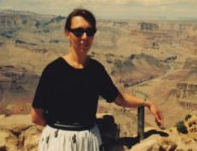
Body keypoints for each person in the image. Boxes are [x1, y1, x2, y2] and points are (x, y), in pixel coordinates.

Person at [31, 8, 164, 151]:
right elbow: (36, 116)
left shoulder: (96, 70)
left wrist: (147, 103)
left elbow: (119, 98)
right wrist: (62, 132)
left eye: (90, 32)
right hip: (59, 143)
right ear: (67, 33)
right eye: (78, 31)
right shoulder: (53, 70)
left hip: (89, 141)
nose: (84, 37)